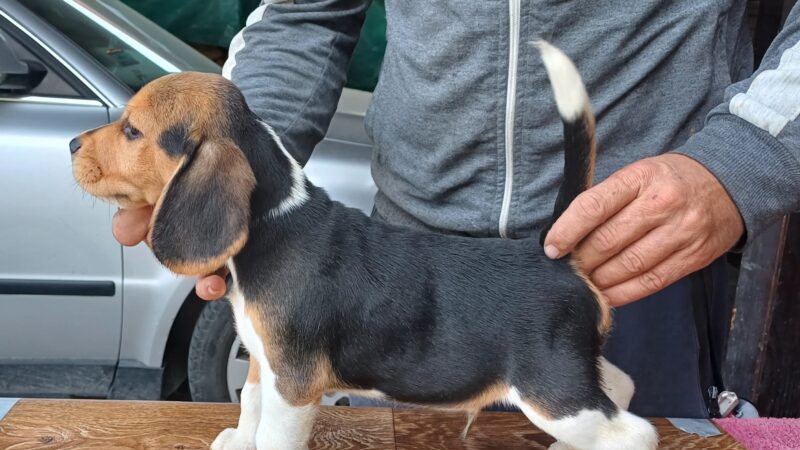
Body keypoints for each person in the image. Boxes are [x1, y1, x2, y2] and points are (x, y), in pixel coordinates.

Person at [113, 1, 800, 417]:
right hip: (401, 270)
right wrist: (229, 183)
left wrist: (739, 156)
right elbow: (305, 12)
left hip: (629, 264)